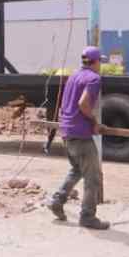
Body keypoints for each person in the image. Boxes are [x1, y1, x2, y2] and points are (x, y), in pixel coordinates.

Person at [48, 46, 109, 230]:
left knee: (77, 169)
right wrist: (95, 122)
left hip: (66, 131)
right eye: (101, 62)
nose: (101, 65)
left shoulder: (74, 76)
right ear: (96, 62)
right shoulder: (94, 79)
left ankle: (57, 201)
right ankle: (88, 217)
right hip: (81, 134)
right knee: (94, 178)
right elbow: (83, 104)